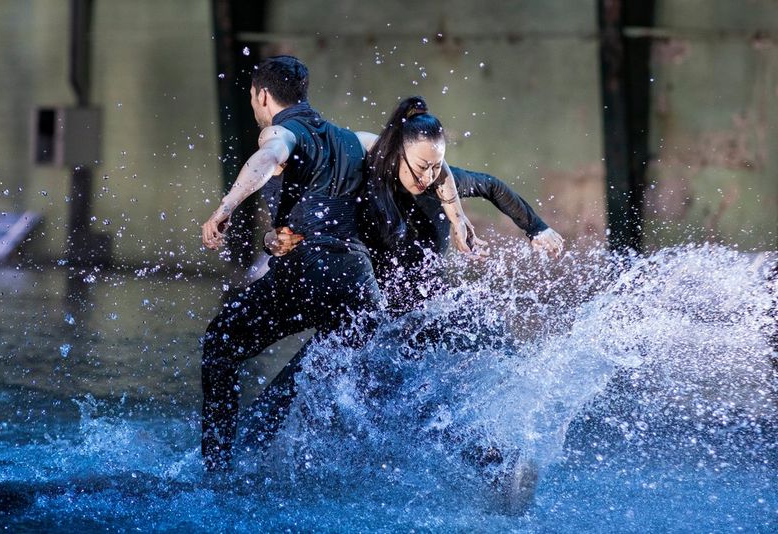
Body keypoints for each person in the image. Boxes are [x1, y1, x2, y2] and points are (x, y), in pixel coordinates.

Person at [247, 96, 563, 514]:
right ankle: (245, 460)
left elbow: (490, 186)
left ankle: (498, 463)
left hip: (418, 320)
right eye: (421, 167)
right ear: (397, 152)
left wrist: (537, 229)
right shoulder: (361, 184)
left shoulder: (439, 187)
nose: (429, 176)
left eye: (436, 167)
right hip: (370, 319)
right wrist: (284, 236)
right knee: (307, 385)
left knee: (399, 403)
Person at [200, 58, 477, 471]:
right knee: (350, 378)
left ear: (262, 95)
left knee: (220, 344)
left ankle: (215, 471)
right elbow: (438, 170)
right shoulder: (356, 140)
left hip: (312, 273)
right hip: (360, 285)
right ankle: (492, 460)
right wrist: (457, 218)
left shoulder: (280, 132)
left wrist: (224, 209)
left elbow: (266, 158)